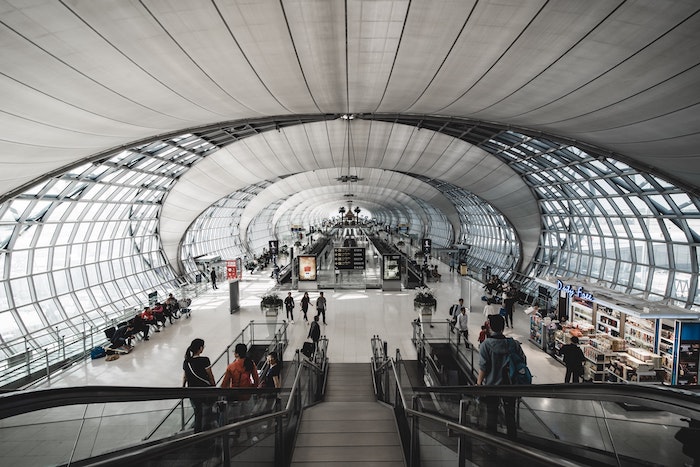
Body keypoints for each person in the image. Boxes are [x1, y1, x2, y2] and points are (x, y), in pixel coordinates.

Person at [476, 314, 526, 439]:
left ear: (490, 327)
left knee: (491, 414)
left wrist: (478, 385)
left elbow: (483, 367)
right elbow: (522, 362)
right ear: (503, 328)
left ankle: (492, 441)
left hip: (492, 386)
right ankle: (512, 441)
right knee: (510, 415)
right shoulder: (514, 344)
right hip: (510, 386)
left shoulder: (486, 345)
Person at [182, 338, 215, 432]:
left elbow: (185, 377)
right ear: (200, 348)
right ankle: (206, 434)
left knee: (198, 413)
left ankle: (197, 433)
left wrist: (183, 389)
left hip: (192, 392)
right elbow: (210, 375)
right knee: (207, 413)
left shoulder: (186, 362)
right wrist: (214, 387)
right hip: (205, 391)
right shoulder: (205, 360)